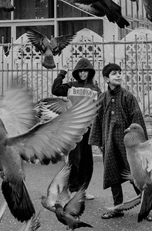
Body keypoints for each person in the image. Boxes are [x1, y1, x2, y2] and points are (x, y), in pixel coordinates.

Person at [88, 63, 150, 221]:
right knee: (113, 175)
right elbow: (97, 120)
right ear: (106, 78)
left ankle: (146, 208)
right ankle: (118, 208)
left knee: (135, 176)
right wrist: (99, 142)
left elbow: (137, 120)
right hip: (109, 144)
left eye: (120, 73)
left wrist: (140, 145)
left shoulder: (128, 97)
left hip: (128, 147)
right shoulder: (102, 98)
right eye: (114, 73)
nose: (118, 76)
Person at [52, 58, 100, 199]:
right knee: (75, 159)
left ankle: (82, 190)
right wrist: (62, 73)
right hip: (73, 128)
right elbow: (55, 90)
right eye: (80, 71)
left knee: (87, 161)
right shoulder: (71, 86)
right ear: (76, 73)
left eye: (85, 71)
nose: (83, 74)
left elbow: (101, 106)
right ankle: (73, 189)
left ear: (90, 73)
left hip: (88, 129)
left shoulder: (95, 89)